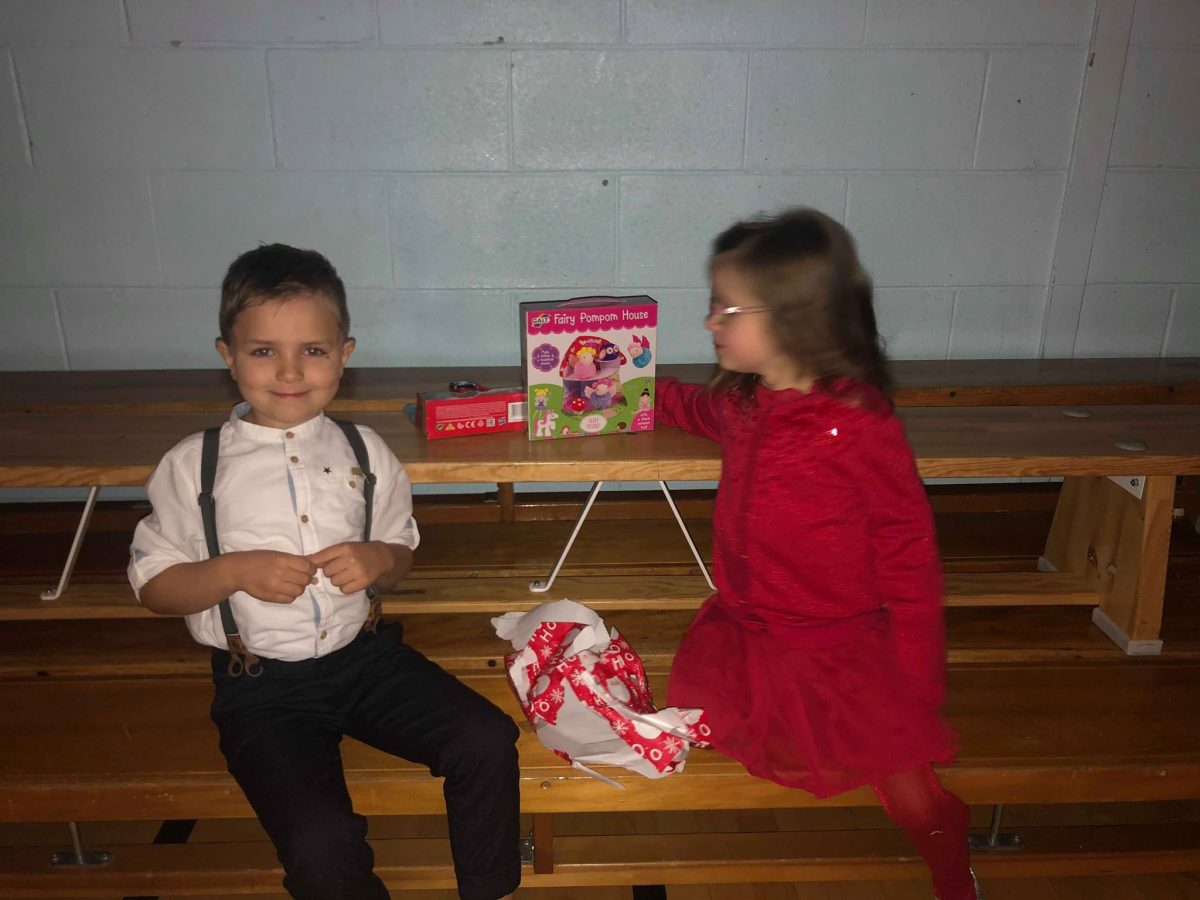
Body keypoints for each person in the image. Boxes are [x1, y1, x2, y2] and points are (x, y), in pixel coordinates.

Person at [128, 243, 520, 900]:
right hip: (261, 688)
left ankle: (489, 889)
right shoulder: (194, 465)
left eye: (312, 349)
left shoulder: (366, 450)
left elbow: (399, 550)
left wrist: (378, 561)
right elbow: (154, 586)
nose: (290, 371)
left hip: (365, 660)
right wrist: (232, 572)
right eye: (263, 350)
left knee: (485, 738)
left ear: (344, 353)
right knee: (321, 845)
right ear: (228, 356)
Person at [657, 209, 981, 900]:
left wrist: (917, 675)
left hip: (836, 645)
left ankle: (949, 856)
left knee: (901, 775)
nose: (710, 322)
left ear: (793, 319)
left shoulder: (855, 425)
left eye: (726, 309)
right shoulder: (743, 404)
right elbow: (687, 407)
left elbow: (909, 556)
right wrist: (626, 386)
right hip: (748, 632)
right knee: (712, 731)